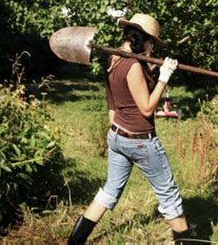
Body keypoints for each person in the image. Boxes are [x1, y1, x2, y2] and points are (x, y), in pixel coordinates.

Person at [68, 14, 194, 244]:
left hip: (117, 136)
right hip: (140, 141)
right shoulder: (133, 64)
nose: (152, 48)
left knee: (110, 190)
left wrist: (114, 129)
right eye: (152, 42)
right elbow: (147, 109)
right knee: (169, 195)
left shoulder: (114, 58)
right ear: (144, 39)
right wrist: (164, 77)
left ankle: (75, 241)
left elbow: (111, 99)